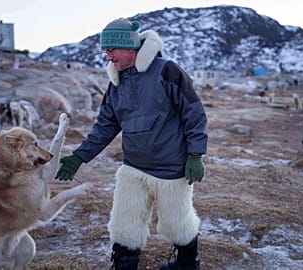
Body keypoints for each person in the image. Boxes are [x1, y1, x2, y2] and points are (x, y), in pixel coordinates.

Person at [55, 18, 208, 270]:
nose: (108, 56)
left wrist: (196, 154)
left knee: (177, 224)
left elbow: (194, 113)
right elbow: (105, 126)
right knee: (124, 225)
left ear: (129, 47)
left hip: (172, 168)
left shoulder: (167, 71)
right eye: (105, 51)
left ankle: (188, 263)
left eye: (111, 50)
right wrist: (79, 157)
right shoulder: (116, 83)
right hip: (134, 168)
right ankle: (124, 265)